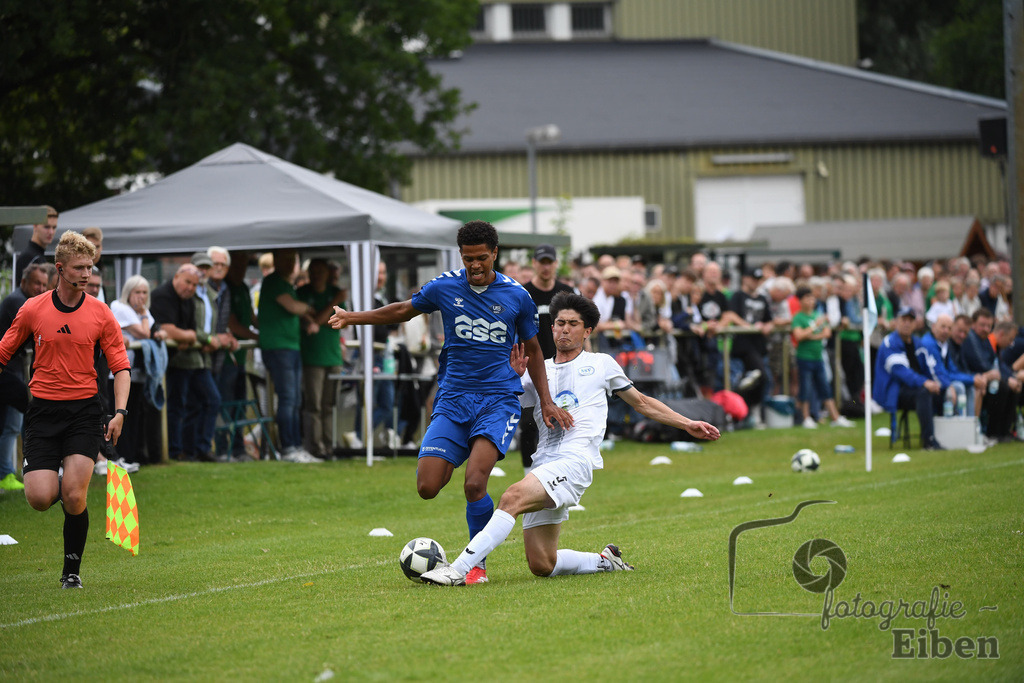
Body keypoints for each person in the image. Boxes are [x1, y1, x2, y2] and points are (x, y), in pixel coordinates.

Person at [419, 292, 720, 586]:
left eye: (573, 324)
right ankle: (604, 561)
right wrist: (509, 378)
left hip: (576, 461)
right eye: (560, 322)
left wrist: (687, 422)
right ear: (551, 328)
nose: (564, 328)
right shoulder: (537, 371)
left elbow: (641, 402)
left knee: (511, 497)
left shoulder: (602, 364)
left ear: (587, 331)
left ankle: (458, 569)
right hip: (544, 463)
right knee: (542, 564)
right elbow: (501, 404)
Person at [329, 220, 573, 584]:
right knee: (427, 487)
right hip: (453, 399)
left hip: (497, 400)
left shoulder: (516, 296)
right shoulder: (444, 286)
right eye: (468, 258)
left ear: (494, 254)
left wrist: (546, 400)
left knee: (475, 484)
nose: (474, 265)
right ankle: (456, 457)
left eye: (481, 258)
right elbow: (402, 310)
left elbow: (535, 351)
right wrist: (353, 318)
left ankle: (476, 565)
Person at [0, 231, 130, 588]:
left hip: (84, 414)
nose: (87, 274)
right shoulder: (33, 309)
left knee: (74, 496)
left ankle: (71, 573)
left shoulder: (101, 313)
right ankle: (66, 482)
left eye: (90, 266)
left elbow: (121, 367)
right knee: (40, 498)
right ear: (60, 269)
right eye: (79, 267)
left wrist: (120, 412)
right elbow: (3, 351)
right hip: (42, 412)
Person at [151, 264, 221, 462]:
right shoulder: (162, 295)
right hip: (172, 361)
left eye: (194, 284)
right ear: (176, 277)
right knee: (177, 405)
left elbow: (190, 332)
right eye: (187, 282)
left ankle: (199, 449)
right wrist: (188, 336)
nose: (190, 287)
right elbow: (169, 329)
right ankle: (176, 451)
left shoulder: (189, 300)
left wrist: (190, 337)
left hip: (190, 357)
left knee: (209, 400)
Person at [258, 249, 322, 462]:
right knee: (288, 399)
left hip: (291, 347)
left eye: (292, 259)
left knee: (294, 399)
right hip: (278, 348)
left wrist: (307, 317)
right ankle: (288, 449)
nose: (289, 263)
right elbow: (293, 307)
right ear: (276, 260)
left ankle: (295, 446)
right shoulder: (273, 281)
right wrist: (309, 308)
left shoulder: (286, 284)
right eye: (284, 258)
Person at [519, 244, 574, 470]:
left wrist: (584, 355)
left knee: (563, 419)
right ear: (534, 263)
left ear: (555, 264)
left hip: (561, 366)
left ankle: (558, 473)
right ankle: (527, 475)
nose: (545, 267)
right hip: (530, 367)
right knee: (529, 422)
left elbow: (579, 327)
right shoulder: (521, 292)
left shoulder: (566, 293)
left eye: (549, 262)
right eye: (541, 262)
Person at [0, 262, 50, 491]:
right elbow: (32, 336)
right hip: (6, 372)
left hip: (14, 371)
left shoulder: (27, 302)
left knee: (12, 423)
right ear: (23, 283)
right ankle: (14, 471)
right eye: (36, 283)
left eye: (44, 284)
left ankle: (11, 472)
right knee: (30, 415)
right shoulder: (17, 302)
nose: (40, 288)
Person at [110, 275, 169, 465]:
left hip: (136, 373)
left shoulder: (142, 311)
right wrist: (144, 317)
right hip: (117, 373)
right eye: (137, 292)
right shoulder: (120, 307)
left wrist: (156, 330)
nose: (141, 297)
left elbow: (155, 331)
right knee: (120, 414)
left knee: (134, 416)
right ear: (128, 292)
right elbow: (145, 332)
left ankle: (133, 454)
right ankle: (119, 455)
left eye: (144, 292)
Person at [872, 307, 944, 450]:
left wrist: (941, 384)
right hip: (893, 392)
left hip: (916, 389)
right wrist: (925, 382)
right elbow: (901, 372)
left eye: (910, 321)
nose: (907, 324)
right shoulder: (889, 343)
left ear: (915, 324)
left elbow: (933, 367)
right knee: (924, 392)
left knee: (942, 391)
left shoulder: (918, 343)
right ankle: (929, 441)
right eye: (903, 320)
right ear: (896, 322)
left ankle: (947, 437)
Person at [296, 258, 346, 460]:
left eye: (320, 271)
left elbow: (343, 323)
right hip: (312, 358)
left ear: (327, 273)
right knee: (313, 405)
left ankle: (328, 445)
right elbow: (302, 320)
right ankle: (314, 447)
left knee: (329, 405)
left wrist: (317, 319)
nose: (317, 275)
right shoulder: (302, 293)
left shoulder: (335, 294)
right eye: (313, 271)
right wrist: (328, 311)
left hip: (333, 357)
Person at [791, 286, 854, 429]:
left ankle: (835, 417)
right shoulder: (799, 317)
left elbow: (827, 333)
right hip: (804, 357)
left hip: (818, 356)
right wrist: (814, 327)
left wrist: (810, 335)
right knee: (805, 389)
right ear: (800, 301)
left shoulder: (818, 314)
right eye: (807, 298)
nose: (811, 301)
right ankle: (806, 418)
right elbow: (798, 336)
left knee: (825, 387)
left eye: (812, 298)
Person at [960, 309, 1021, 440]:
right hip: (975, 378)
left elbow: (997, 362)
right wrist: (1005, 378)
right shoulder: (971, 338)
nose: (986, 329)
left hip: (986, 378)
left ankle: (1005, 432)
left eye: (989, 326)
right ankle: (993, 432)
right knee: (1002, 388)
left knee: (1011, 387)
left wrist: (1011, 377)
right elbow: (981, 363)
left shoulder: (985, 340)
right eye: (982, 325)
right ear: (973, 324)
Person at [15, 206, 58, 275]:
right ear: (35, 226)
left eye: (54, 227)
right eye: (47, 227)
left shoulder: (38, 257)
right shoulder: (29, 258)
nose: (51, 232)